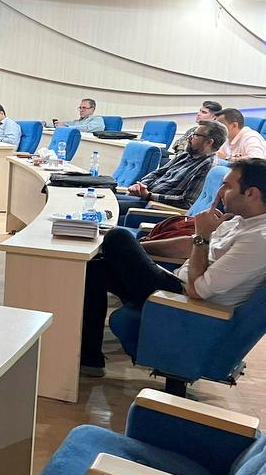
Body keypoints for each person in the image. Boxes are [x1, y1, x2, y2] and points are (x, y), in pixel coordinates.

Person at [80, 158, 266, 376]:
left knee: (117, 236)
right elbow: (189, 246)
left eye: (227, 186)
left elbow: (198, 290)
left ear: (251, 193)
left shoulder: (258, 239)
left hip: (190, 306)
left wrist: (202, 236)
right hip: (177, 283)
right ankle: (90, 359)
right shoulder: (240, 221)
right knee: (96, 269)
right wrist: (136, 250)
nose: (220, 192)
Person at [114, 120, 226, 216]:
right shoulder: (185, 155)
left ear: (209, 142)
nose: (189, 138)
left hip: (157, 207)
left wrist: (150, 195)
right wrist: (140, 185)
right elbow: (158, 173)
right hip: (144, 197)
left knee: (110, 209)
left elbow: (186, 202)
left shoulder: (207, 166)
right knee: (107, 199)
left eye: (195, 135)